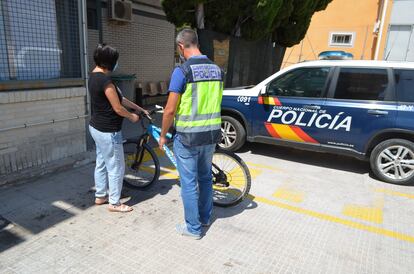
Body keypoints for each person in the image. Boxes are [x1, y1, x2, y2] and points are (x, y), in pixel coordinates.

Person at [159, 29, 224, 239]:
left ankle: (193, 228)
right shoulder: (217, 69)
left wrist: (162, 135)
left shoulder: (182, 71)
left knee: (188, 182)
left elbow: (169, 110)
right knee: (205, 178)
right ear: (196, 43)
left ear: (180, 46)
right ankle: (205, 218)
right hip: (211, 134)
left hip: (188, 137)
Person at [89, 44, 147, 213]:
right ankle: (114, 203)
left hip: (96, 128)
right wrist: (132, 116)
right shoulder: (106, 81)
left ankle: (100, 195)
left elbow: (120, 98)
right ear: (110, 62)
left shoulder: (93, 76)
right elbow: (118, 108)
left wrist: (139, 108)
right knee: (116, 167)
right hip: (108, 131)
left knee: (101, 162)